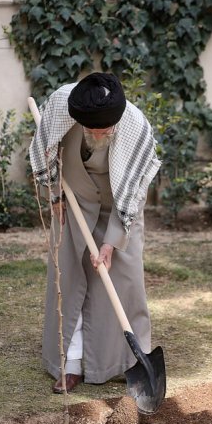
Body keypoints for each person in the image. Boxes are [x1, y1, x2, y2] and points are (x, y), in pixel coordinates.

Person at [29, 72, 161, 394]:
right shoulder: (63, 107)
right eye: (92, 130)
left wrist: (111, 243)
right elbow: (45, 150)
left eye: (106, 131)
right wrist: (56, 195)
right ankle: (70, 364)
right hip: (75, 202)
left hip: (121, 205)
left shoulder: (134, 127)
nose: (99, 135)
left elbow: (134, 190)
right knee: (71, 279)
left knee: (123, 281)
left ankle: (123, 363)